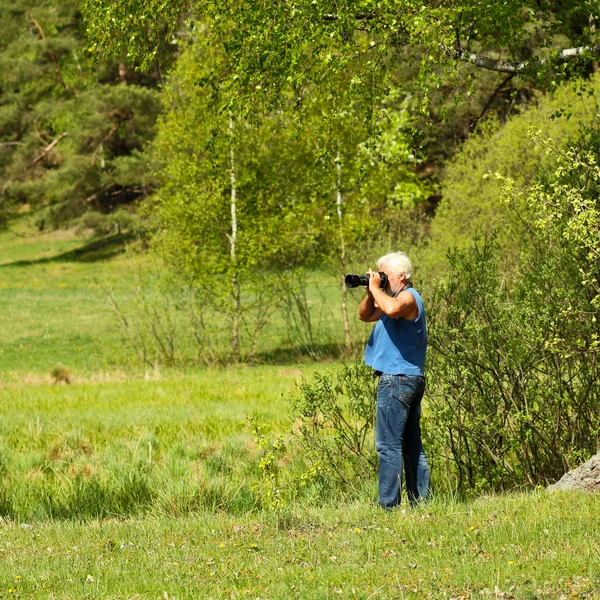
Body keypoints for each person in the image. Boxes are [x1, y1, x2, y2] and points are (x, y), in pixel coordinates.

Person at [358, 251, 430, 508]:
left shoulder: (408, 298)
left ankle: (388, 504)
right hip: (407, 378)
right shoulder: (395, 297)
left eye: (384, 274)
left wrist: (377, 289)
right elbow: (365, 316)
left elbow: (388, 307)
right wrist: (370, 291)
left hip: (398, 379)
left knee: (388, 445)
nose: (381, 279)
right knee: (411, 445)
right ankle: (421, 502)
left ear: (401, 275)